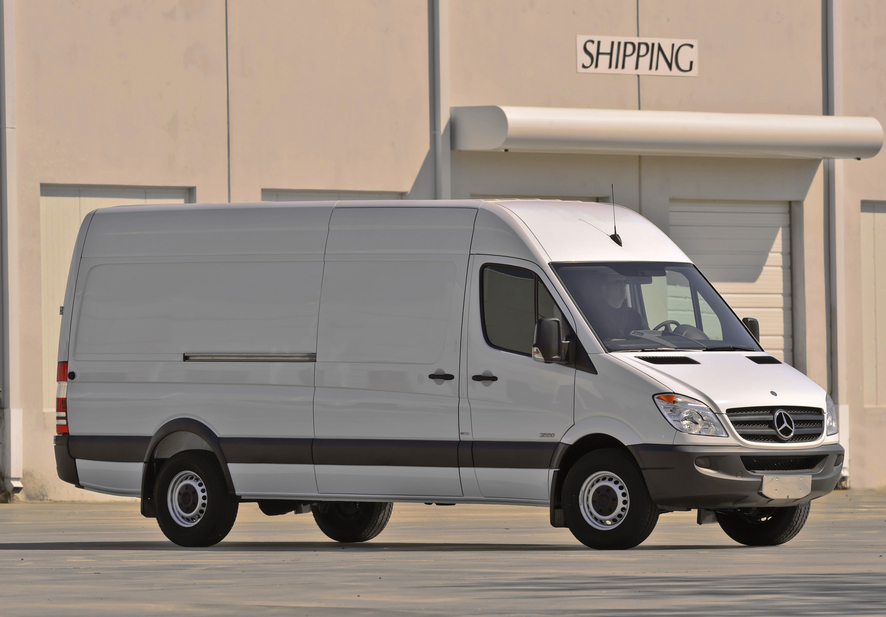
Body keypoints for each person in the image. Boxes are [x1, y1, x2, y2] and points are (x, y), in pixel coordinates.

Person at [591, 270, 645, 340]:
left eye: (624, 282)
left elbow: (647, 337)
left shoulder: (633, 314)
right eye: (618, 283)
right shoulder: (593, 316)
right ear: (604, 288)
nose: (623, 286)